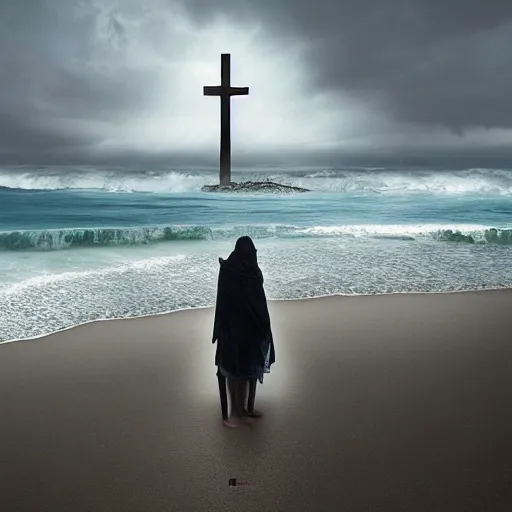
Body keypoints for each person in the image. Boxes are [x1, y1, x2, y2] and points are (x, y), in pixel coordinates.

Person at [212, 236, 275, 428]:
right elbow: (250, 302)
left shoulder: (234, 270)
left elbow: (253, 302)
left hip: (242, 330)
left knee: (246, 371)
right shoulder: (245, 272)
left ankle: (244, 410)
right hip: (237, 330)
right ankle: (236, 414)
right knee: (236, 372)